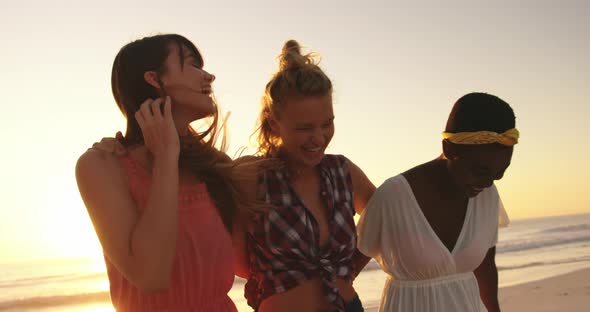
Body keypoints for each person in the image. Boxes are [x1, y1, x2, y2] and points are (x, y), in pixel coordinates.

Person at [76, 34, 253, 311]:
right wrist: (166, 158)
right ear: (154, 79)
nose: (209, 77)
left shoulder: (214, 166)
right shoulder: (102, 165)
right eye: (193, 65)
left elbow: (247, 265)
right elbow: (150, 275)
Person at [244, 40, 376, 312]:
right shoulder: (252, 176)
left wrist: (347, 271)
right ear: (274, 123)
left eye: (327, 124)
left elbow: (385, 221)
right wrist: (262, 278)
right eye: (305, 128)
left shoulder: (343, 172)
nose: (319, 138)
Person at [357, 92, 516, 312]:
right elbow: (346, 272)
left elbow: (486, 267)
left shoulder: (487, 195)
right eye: (480, 171)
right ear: (449, 149)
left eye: (500, 172)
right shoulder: (394, 196)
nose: (489, 183)